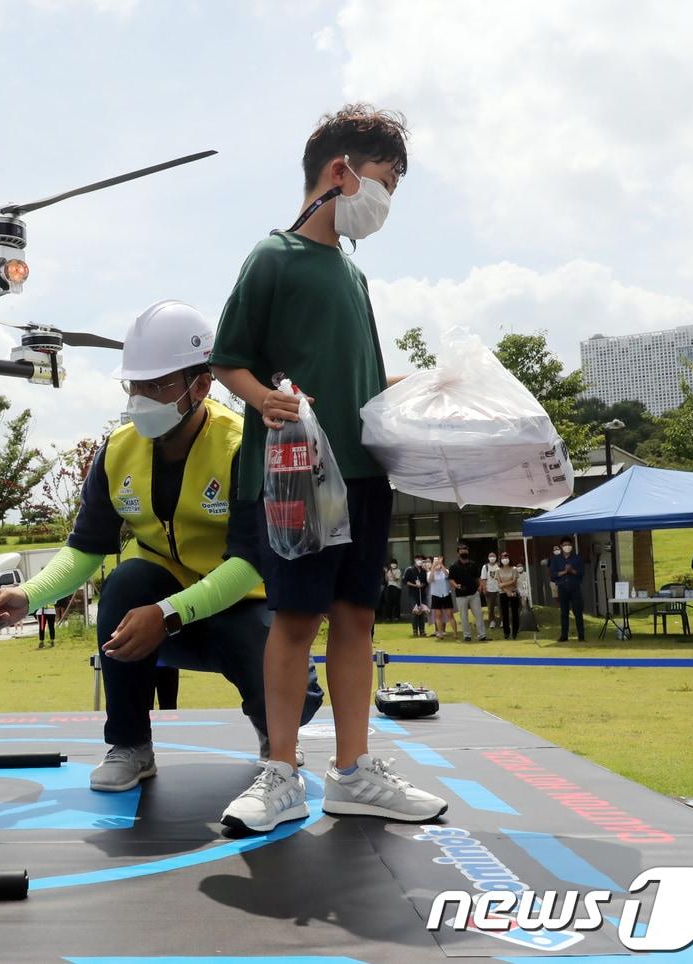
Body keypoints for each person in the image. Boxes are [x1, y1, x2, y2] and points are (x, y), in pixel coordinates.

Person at [209, 104, 446, 832]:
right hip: (295, 478)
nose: (384, 203)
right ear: (339, 172)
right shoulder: (273, 257)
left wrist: (435, 386)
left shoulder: (354, 277)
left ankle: (353, 772)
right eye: (383, 182)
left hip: (365, 476)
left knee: (357, 620)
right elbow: (228, 359)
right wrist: (263, 400)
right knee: (294, 620)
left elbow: (365, 385)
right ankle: (279, 772)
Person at [0, 299, 323, 805]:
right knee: (125, 584)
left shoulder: (242, 447)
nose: (143, 397)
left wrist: (166, 616)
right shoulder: (118, 449)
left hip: (245, 603)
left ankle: (276, 737)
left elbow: (251, 561)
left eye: (159, 384)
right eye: (136, 384)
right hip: (164, 606)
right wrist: (29, 595)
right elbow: (86, 548)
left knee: (281, 681)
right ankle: (130, 746)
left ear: (203, 384)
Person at [549, 538, 586, 641]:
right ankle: (564, 635)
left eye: (569, 544)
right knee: (564, 613)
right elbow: (553, 575)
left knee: (578, 612)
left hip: (575, 588)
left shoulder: (577, 558)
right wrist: (565, 572)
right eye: (565, 544)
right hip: (562, 588)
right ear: (561, 546)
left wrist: (572, 570)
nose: (567, 546)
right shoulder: (556, 559)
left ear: (572, 546)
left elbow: (581, 573)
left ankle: (581, 635)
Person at [449, 543, 487, 641]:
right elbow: (451, 579)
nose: (463, 552)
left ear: (468, 551)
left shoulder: (473, 564)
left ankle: (482, 635)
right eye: (461, 551)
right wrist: (455, 585)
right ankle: (467, 635)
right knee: (463, 616)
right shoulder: (453, 566)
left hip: (474, 593)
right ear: (458, 553)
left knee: (478, 614)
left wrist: (480, 586)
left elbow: (477, 577)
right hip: (461, 595)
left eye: (465, 550)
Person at [496, 554, 522, 640]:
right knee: (504, 613)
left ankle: (515, 632)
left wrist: (503, 584)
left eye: (506, 557)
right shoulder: (498, 570)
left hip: (514, 592)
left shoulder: (514, 569)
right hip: (503, 593)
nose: (505, 559)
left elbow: (514, 581)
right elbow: (499, 584)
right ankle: (506, 632)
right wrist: (506, 591)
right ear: (501, 559)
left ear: (509, 559)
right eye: (503, 557)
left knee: (515, 613)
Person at [428, 556, 453, 639]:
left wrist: (441, 564)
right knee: (438, 615)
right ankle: (439, 632)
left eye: (438, 561)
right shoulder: (430, 572)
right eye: (435, 562)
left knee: (449, 614)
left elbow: (447, 574)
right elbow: (430, 580)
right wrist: (433, 568)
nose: (437, 563)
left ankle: (454, 633)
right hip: (436, 595)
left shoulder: (445, 571)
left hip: (446, 595)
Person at [403, 554, 428, 637]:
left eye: (421, 559)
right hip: (413, 594)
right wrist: (415, 585)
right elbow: (405, 581)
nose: (420, 561)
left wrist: (422, 585)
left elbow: (426, 582)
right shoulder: (409, 570)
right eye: (418, 559)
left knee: (422, 612)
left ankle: (422, 630)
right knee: (415, 611)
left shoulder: (424, 571)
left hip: (422, 594)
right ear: (415, 560)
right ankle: (415, 631)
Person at [482, 551, 501, 628]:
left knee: (501, 606)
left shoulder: (499, 565)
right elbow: (483, 579)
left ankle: (502, 621)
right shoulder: (485, 567)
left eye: (493, 556)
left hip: (499, 590)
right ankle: (492, 621)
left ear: (496, 558)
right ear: (488, 558)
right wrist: (484, 588)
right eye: (490, 556)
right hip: (489, 590)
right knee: (490, 608)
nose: (492, 557)